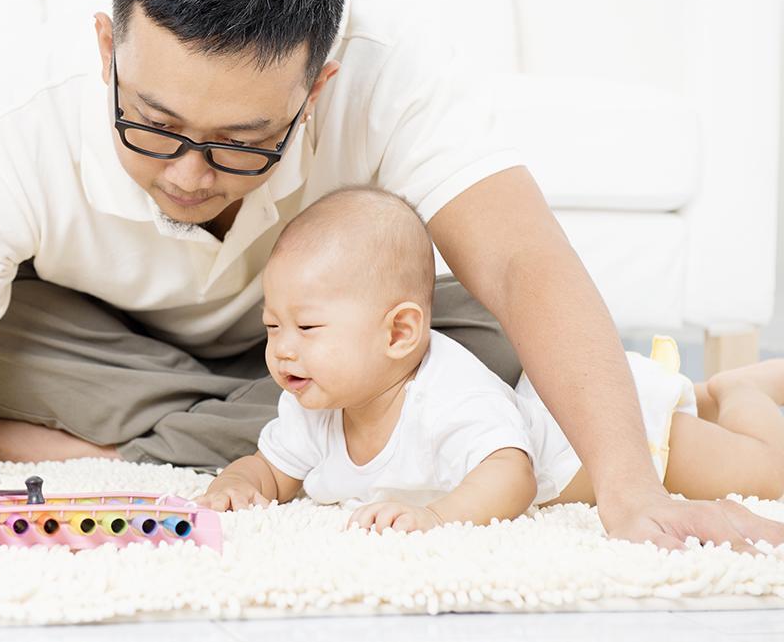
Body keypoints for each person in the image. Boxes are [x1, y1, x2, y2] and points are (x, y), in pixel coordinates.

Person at [0, 0, 784, 550]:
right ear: (108, 47)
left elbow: (524, 262)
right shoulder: (5, 131)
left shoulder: (385, 74)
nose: (191, 174)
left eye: (241, 141)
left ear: (315, 88)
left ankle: (697, 405)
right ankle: (170, 433)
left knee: (470, 351)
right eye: (154, 126)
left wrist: (627, 485)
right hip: (95, 347)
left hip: (306, 348)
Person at [197, 187, 784, 534]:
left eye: (307, 327)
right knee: (696, 404)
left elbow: (512, 476)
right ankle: (704, 394)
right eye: (273, 327)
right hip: (575, 419)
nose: (283, 349)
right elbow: (271, 469)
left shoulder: (446, 392)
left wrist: (439, 517)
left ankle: (738, 392)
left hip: (600, 438)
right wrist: (235, 485)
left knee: (768, 472)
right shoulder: (315, 401)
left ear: (399, 332)